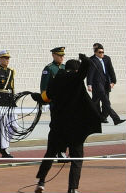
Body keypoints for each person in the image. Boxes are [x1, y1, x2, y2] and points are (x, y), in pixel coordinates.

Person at [34, 55, 101, 193]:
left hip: (57, 126)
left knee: (50, 154)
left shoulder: (55, 79)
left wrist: (35, 96)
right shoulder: (76, 79)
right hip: (75, 129)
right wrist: (86, 59)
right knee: (77, 158)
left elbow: (46, 97)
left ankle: (41, 182)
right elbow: (85, 68)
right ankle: (72, 188)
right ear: (76, 70)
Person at [87, 42, 122, 124]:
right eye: (99, 52)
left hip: (106, 83)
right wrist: (89, 84)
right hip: (97, 84)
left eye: (103, 52)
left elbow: (111, 70)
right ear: (95, 52)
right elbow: (90, 73)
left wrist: (113, 81)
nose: (102, 53)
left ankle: (102, 117)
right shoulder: (92, 60)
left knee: (96, 101)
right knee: (105, 102)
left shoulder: (107, 58)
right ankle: (115, 119)